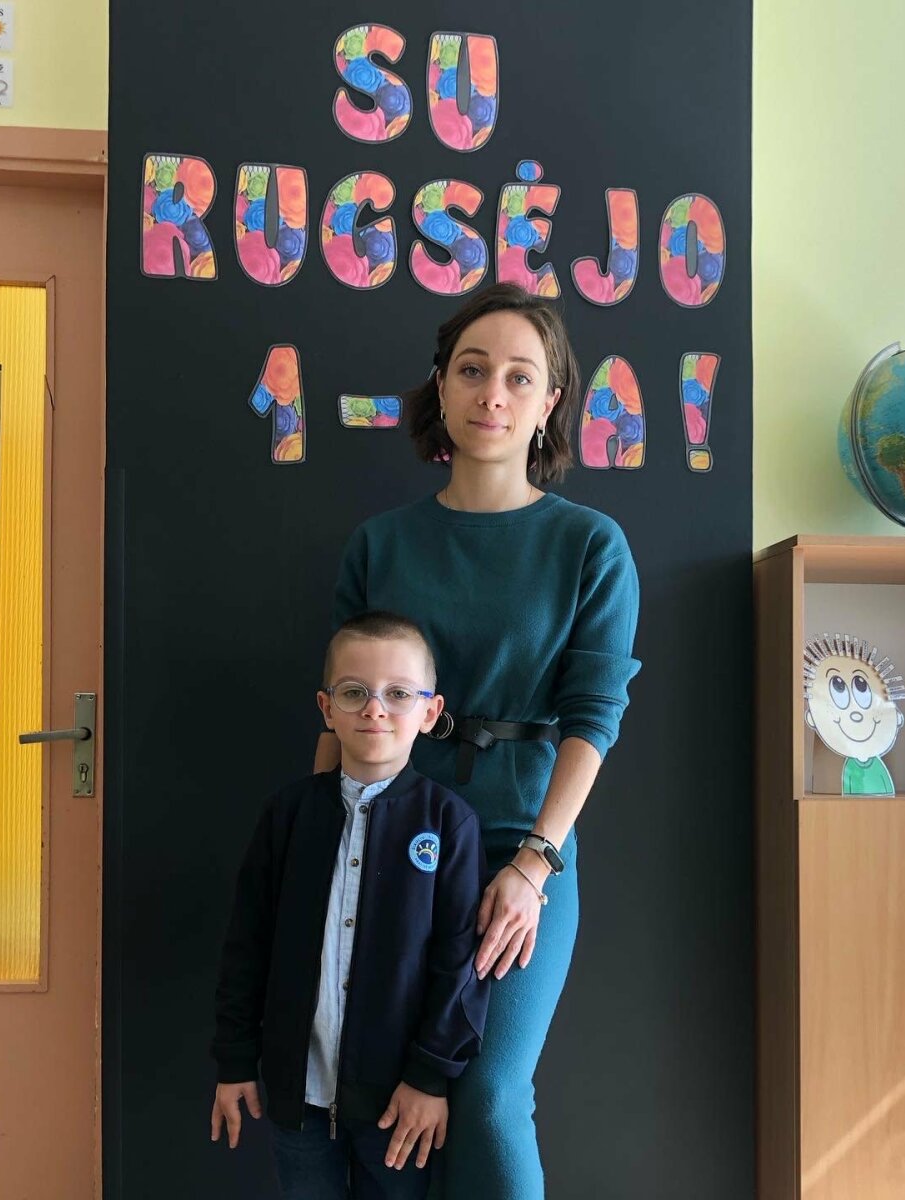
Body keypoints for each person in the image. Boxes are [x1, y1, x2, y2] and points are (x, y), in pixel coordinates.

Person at [320, 283, 641, 1200]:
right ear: (442, 385)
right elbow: (341, 711)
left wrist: (535, 866)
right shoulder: (379, 545)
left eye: (518, 376)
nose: (491, 393)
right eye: (471, 369)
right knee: (385, 1099)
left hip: (520, 846)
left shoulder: (590, 545)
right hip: (392, 841)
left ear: (549, 404)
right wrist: (320, 851)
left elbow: (594, 719)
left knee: (490, 1095)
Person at [211, 611, 490, 1199]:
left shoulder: (450, 823)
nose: (375, 709)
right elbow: (247, 945)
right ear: (326, 707)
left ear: (430, 712)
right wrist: (235, 1060)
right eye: (354, 692)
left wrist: (430, 1076)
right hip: (298, 1100)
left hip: (400, 1105)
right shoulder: (287, 815)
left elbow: (459, 965)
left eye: (398, 694)